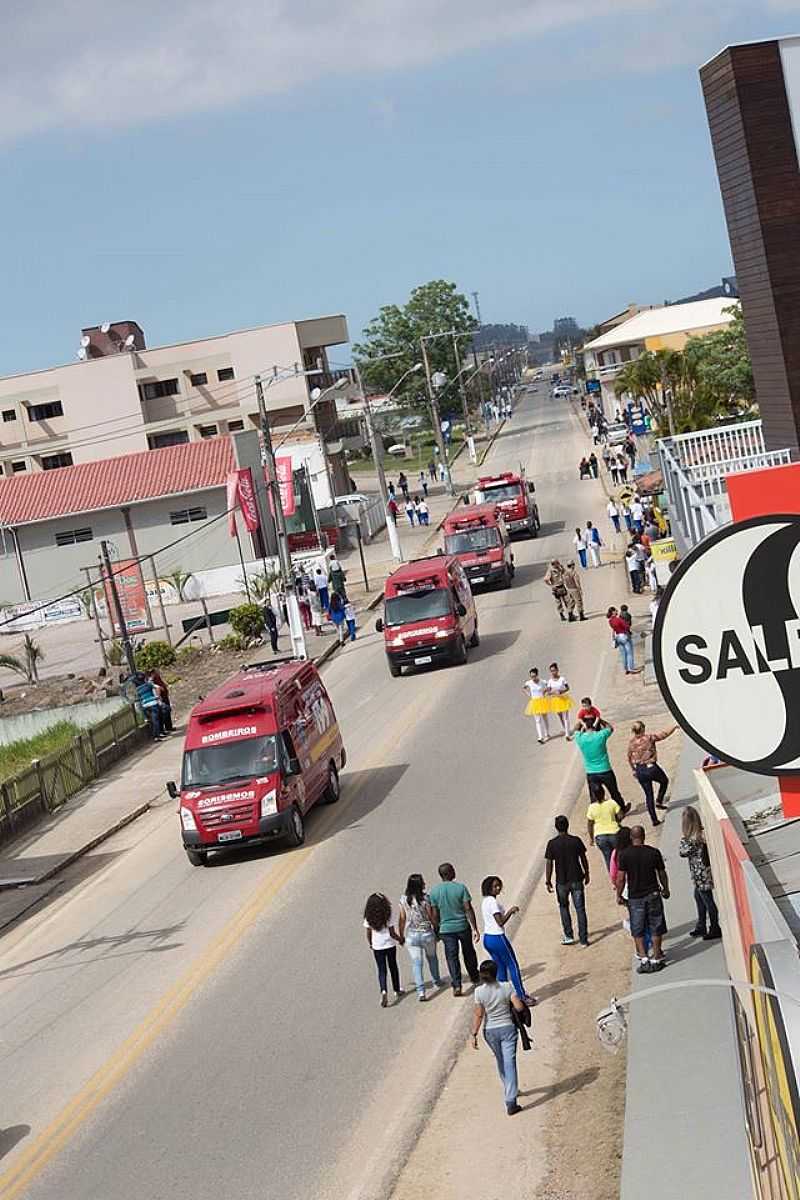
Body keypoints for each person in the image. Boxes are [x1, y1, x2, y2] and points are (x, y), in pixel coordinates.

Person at [471, 959, 527, 1116]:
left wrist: (473, 1034)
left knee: (501, 1061)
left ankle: (510, 1088)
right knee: (510, 1063)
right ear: (496, 973)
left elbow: (479, 1014)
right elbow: (519, 1007)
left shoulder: (479, 992)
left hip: (490, 1031)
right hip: (508, 1028)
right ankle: (511, 1100)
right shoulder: (507, 986)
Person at [615, 826, 670, 973]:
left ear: (631, 838)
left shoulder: (625, 855)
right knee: (656, 925)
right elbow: (662, 873)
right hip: (652, 894)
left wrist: (619, 895)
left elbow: (620, 878)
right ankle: (657, 956)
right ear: (644, 836)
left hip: (635, 897)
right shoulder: (653, 852)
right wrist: (665, 889)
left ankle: (644, 958)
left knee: (637, 928)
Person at [430, 862, 480, 995]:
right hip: (462, 926)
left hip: (446, 930)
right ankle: (474, 976)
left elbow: (434, 915)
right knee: (468, 952)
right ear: (450, 873)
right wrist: (475, 928)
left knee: (452, 957)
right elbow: (468, 908)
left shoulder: (434, 892)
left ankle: (457, 985)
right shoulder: (461, 888)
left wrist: (437, 931)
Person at [481, 876, 533, 1002]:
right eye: (495, 886)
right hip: (498, 937)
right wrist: (511, 911)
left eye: (499, 885)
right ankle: (521, 995)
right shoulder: (493, 902)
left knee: (500, 968)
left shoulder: (485, 901)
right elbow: (500, 922)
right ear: (489, 888)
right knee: (513, 965)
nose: (498, 888)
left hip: (488, 938)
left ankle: (503, 997)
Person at [545, 815, 590, 946]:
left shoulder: (552, 844)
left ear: (556, 828)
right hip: (576, 879)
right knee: (580, 909)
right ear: (567, 825)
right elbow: (583, 859)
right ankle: (583, 939)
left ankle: (569, 935)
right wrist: (587, 873)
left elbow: (549, 863)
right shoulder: (575, 840)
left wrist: (548, 880)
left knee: (564, 907)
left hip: (561, 881)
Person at [679, 807, 722, 940]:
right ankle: (701, 925)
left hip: (700, 874)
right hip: (705, 871)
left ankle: (714, 927)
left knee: (707, 900)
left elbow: (682, 852)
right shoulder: (702, 834)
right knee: (699, 897)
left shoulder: (691, 839)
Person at [398, 874, 443, 1000]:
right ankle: (436, 980)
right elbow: (430, 916)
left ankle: (421, 991)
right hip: (426, 933)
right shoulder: (425, 898)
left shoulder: (403, 900)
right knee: (432, 958)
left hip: (412, 935)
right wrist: (436, 929)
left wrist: (401, 935)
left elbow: (402, 919)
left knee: (416, 964)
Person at [628, 720, 678, 826]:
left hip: (640, 770)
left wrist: (633, 769)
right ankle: (659, 801)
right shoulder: (649, 738)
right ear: (642, 729)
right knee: (664, 781)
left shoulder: (631, 743)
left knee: (648, 795)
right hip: (651, 768)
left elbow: (629, 757)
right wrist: (674, 727)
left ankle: (654, 820)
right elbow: (663, 735)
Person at [574, 715, 629, 810]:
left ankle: (596, 813)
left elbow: (576, 729)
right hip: (605, 769)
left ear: (585, 726)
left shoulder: (580, 738)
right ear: (596, 726)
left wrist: (581, 722)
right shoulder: (600, 735)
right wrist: (599, 719)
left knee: (594, 796)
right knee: (614, 792)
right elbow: (610, 728)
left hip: (591, 772)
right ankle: (622, 809)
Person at [363, 892, 404, 1006]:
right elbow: (392, 933)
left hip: (377, 946)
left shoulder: (368, 917)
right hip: (389, 945)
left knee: (382, 970)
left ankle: (383, 990)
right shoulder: (387, 914)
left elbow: (368, 933)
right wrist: (400, 939)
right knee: (393, 967)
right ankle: (397, 989)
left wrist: (371, 943)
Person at [587, 783, 623, 872]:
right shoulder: (611, 803)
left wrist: (591, 838)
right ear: (603, 792)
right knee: (620, 856)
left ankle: (614, 880)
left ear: (594, 795)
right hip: (614, 833)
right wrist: (617, 821)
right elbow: (621, 815)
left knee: (608, 859)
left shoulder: (591, 807)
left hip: (600, 836)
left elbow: (590, 824)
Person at [607, 605, 639, 675]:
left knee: (623, 653)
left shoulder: (610, 621)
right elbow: (626, 626)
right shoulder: (618, 620)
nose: (617, 611)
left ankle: (626, 668)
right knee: (629, 652)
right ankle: (631, 668)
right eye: (615, 610)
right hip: (624, 635)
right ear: (613, 612)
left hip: (618, 637)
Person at [523, 666, 551, 744]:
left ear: (537, 675)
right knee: (537, 720)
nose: (533, 678)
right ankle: (540, 737)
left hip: (542, 701)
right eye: (531, 676)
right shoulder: (529, 683)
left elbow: (549, 686)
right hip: (534, 702)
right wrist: (529, 695)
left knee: (545, 718)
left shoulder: (542, 681)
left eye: (534, 676)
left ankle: (547, 734)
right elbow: (524, 688)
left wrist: (546, 692)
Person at [545, 662, 572, 739]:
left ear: (557, 670)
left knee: (566, 716)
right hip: (555, 700)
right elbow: (548, 691)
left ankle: (567, 734)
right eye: (551, 671)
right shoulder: (550, 681)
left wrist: (561, 691)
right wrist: (552, 692)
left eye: (554, 670)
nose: (553, 672)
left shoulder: (562, 679)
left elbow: (567, 688)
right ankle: (566, 729)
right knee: (560, 716)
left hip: (563, 699)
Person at [134, 672, 164, 740]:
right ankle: (156, 735)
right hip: (153, 703)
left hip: (145, 706)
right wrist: (157, 697)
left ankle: (155, 735)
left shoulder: (137, 690)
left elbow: (138, 699)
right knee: (155, 720)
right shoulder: (148, 685)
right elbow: (157, 688)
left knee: (151, 721)